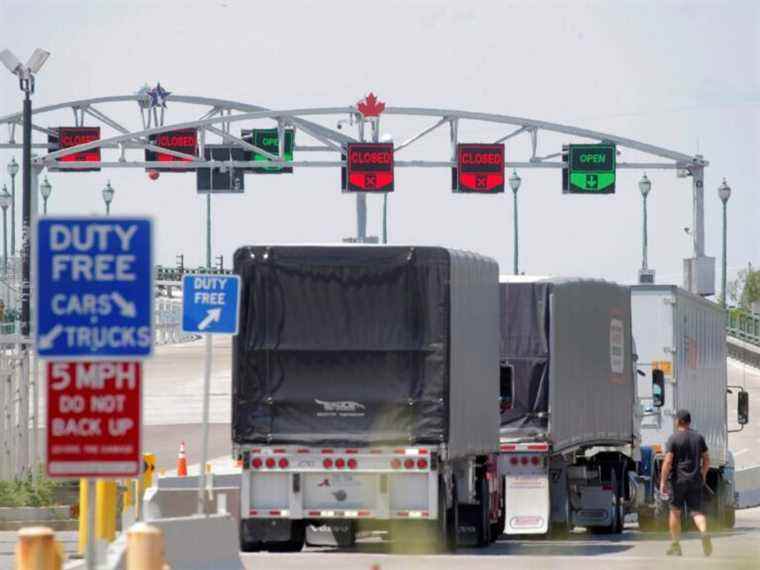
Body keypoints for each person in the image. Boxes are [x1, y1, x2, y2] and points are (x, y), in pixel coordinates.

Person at [659, 409, 712, 557]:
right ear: (689, 422)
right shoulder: (699, 438)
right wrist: (703, 474)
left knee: (675, 512)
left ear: (678, 421)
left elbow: (668, 461)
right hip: (695, 480)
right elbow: (707, 459)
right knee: (696, 512)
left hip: (678, 481)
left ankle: (676, 545)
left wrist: (663, 481)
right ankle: (704, 533)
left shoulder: (673, 439)